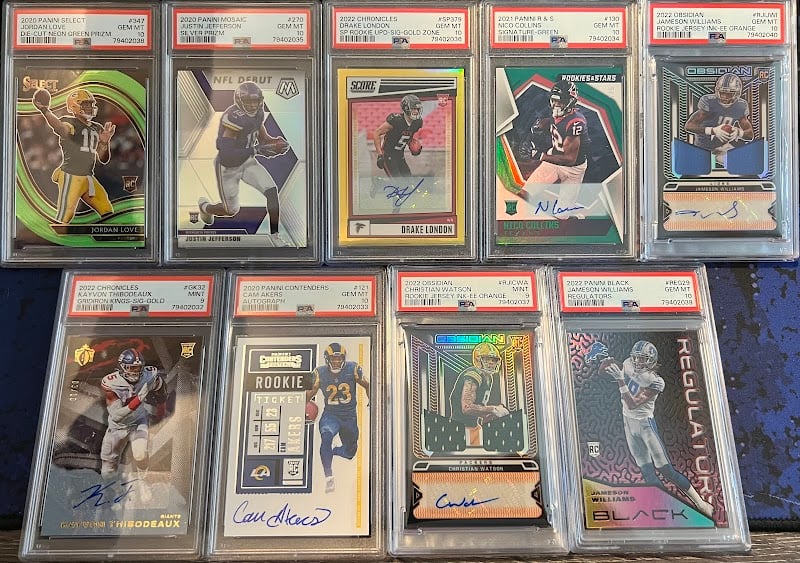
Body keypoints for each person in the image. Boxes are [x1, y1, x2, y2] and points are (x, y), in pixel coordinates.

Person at [604, 340, 714, 518]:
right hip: (628, 423)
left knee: (666, 470)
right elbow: (623, 377)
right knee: (647, 472)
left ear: (651, 360)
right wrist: (609, 365)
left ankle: (701, 504)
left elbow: (632, 403)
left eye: (643, 359)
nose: (638, 362)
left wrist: (620, 380)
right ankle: (666, 508)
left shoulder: (655, 381)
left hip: (645, 425)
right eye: (636, 358)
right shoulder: (627, 363)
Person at [197, 80, 292, 247]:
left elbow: (262, 136)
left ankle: (275, 235)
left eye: (256, 101)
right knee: (230, 210)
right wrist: (257, 150)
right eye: (249, 101)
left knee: (271, 191)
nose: (253, 105)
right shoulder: (233, 119)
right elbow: (227, 154)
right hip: (228, 167)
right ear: (239, 101)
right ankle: (206, 208)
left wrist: (274, 143)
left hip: (247, 162)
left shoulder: (258, 113)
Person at [32, 88, 116, 224]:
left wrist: (104, 143)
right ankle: (50, 236)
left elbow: (103, 159)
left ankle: (111, 234)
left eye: (90, 104)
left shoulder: (97, 127)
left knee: (106, 208)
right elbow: (60, 128)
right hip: (71, 175)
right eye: (85, 104)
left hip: (88, 177)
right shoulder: (70, 122)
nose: (89, 108)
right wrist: (45, 110)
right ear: (73, 106)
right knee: (65, 215)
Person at [100, 348, 166, 501]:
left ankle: (143, 481)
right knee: (108, 467)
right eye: (131, 368)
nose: (135, 372)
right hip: (117, 426)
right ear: (122, 367)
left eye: (138, 368)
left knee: (140, 454)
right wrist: (138, 400)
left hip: (138, 421)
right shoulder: (112, 383)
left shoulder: (148, 375)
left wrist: (161, 408)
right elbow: (117, 416)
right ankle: (113, 489)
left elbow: (160, 386)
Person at [306, 343, 369, 493]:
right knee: (326, 438)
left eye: (339, 359)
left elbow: (368, 385)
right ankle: (329, 478)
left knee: (350, 453)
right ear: (327, 359)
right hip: (331, 415)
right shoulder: (319, 372)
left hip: (349, 416)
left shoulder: (353, 368)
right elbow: (309, 393)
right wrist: (301, 407)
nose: (336, 362)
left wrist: (372, 400)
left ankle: (334, 451)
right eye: (333, 359)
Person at [520, 80, 590, 204]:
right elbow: (554, 121)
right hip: (553, 159)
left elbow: (569, 159)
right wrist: (540, 126)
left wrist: (539, 155)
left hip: (573, 170)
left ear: (571, 102)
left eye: (561, 101)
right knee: (525, 193)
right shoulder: (559, 112)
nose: (557, 105)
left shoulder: (576, 123)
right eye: (555, 100)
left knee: (563, 211)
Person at [684, 72, 753, 169]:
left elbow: (750, 135)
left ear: (737, 93)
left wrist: (738, 132)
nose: (724, 97)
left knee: (746, 163)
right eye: (722, 93)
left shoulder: (741, 106)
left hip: (723, 146)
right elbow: (689, 126)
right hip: (704, 147)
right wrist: (713, 130)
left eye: (729, 94)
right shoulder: (709, 101)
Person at [448, 343, 510, 447]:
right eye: (487, 359)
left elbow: (479, 407)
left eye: (493, 360)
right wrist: (493, 409)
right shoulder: (473, 376)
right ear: (478, 359)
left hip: (473, 426)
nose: (491, 363)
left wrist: (492, 414)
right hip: (461, 428)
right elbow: (467, 408)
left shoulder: (488, 377)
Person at [373, 94, 424, 177]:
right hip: (388, 156)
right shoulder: (396, 120)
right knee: (397, 182)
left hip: (400, 156)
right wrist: (380, 155)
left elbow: (405, 135)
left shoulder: (417, 123)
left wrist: (411, 143)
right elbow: (377, 133)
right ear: (406, 108)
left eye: (417, 109)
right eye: (413, 108)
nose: (416, 111)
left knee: (409, 181)